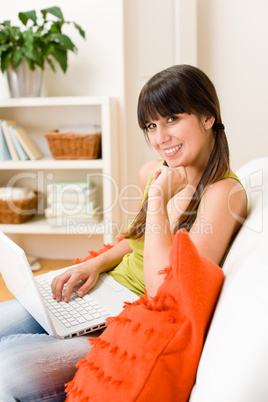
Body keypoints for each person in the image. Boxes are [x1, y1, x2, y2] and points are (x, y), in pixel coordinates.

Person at [0, 64, 247, 401]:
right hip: (106, 290)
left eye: (172, 118)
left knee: (8, 366)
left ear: (208, 117)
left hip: (129, 319)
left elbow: (166, 291)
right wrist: (96, 264)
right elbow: (138, 241)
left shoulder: (222, 193)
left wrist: (158, 199)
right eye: (151, 126)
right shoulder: (163, 171)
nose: (160, 138)